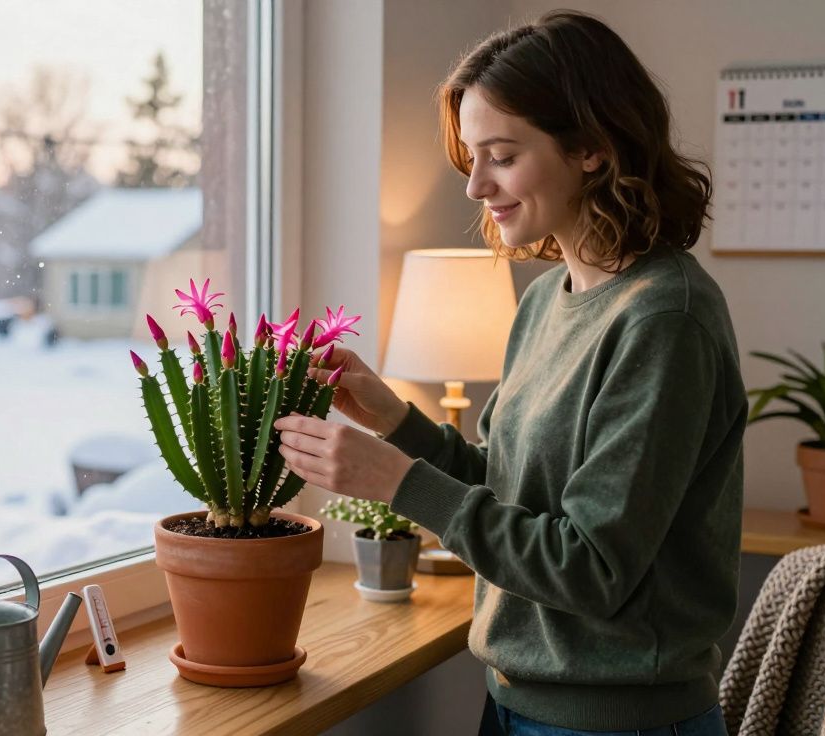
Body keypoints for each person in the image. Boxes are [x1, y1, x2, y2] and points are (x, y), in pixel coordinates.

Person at [273, 10, 746, 736]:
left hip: (618, 724)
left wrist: (395, 482)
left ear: (590, 147)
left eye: (501, 155)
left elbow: (591, 567)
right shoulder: (546, 303)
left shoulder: (664, 322)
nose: (475, 188)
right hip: (514, 700)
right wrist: (393, 420)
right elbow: (508, 489)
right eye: (473, 157)